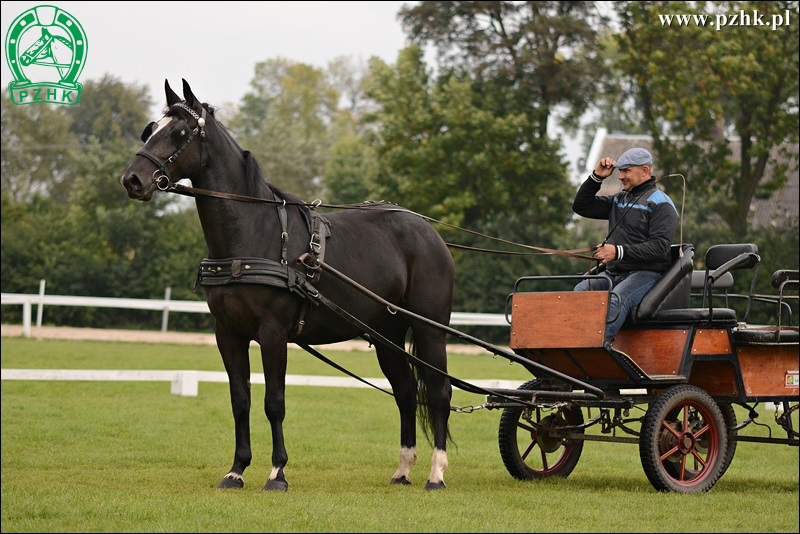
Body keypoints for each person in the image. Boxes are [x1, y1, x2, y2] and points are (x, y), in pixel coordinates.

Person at [572, 147, 679, 347]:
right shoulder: (619, 200)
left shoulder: (662, 204)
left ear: (645, 171)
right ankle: (574, 344)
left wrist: (618, 251)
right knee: (581, 291)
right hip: (614, 274)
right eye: (620, 170)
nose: (620, 176)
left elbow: (660, 248)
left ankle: (595, 348)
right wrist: (597, 177)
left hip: (647, 274)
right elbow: (581, 207)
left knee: (617, 300)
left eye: (626, 171)